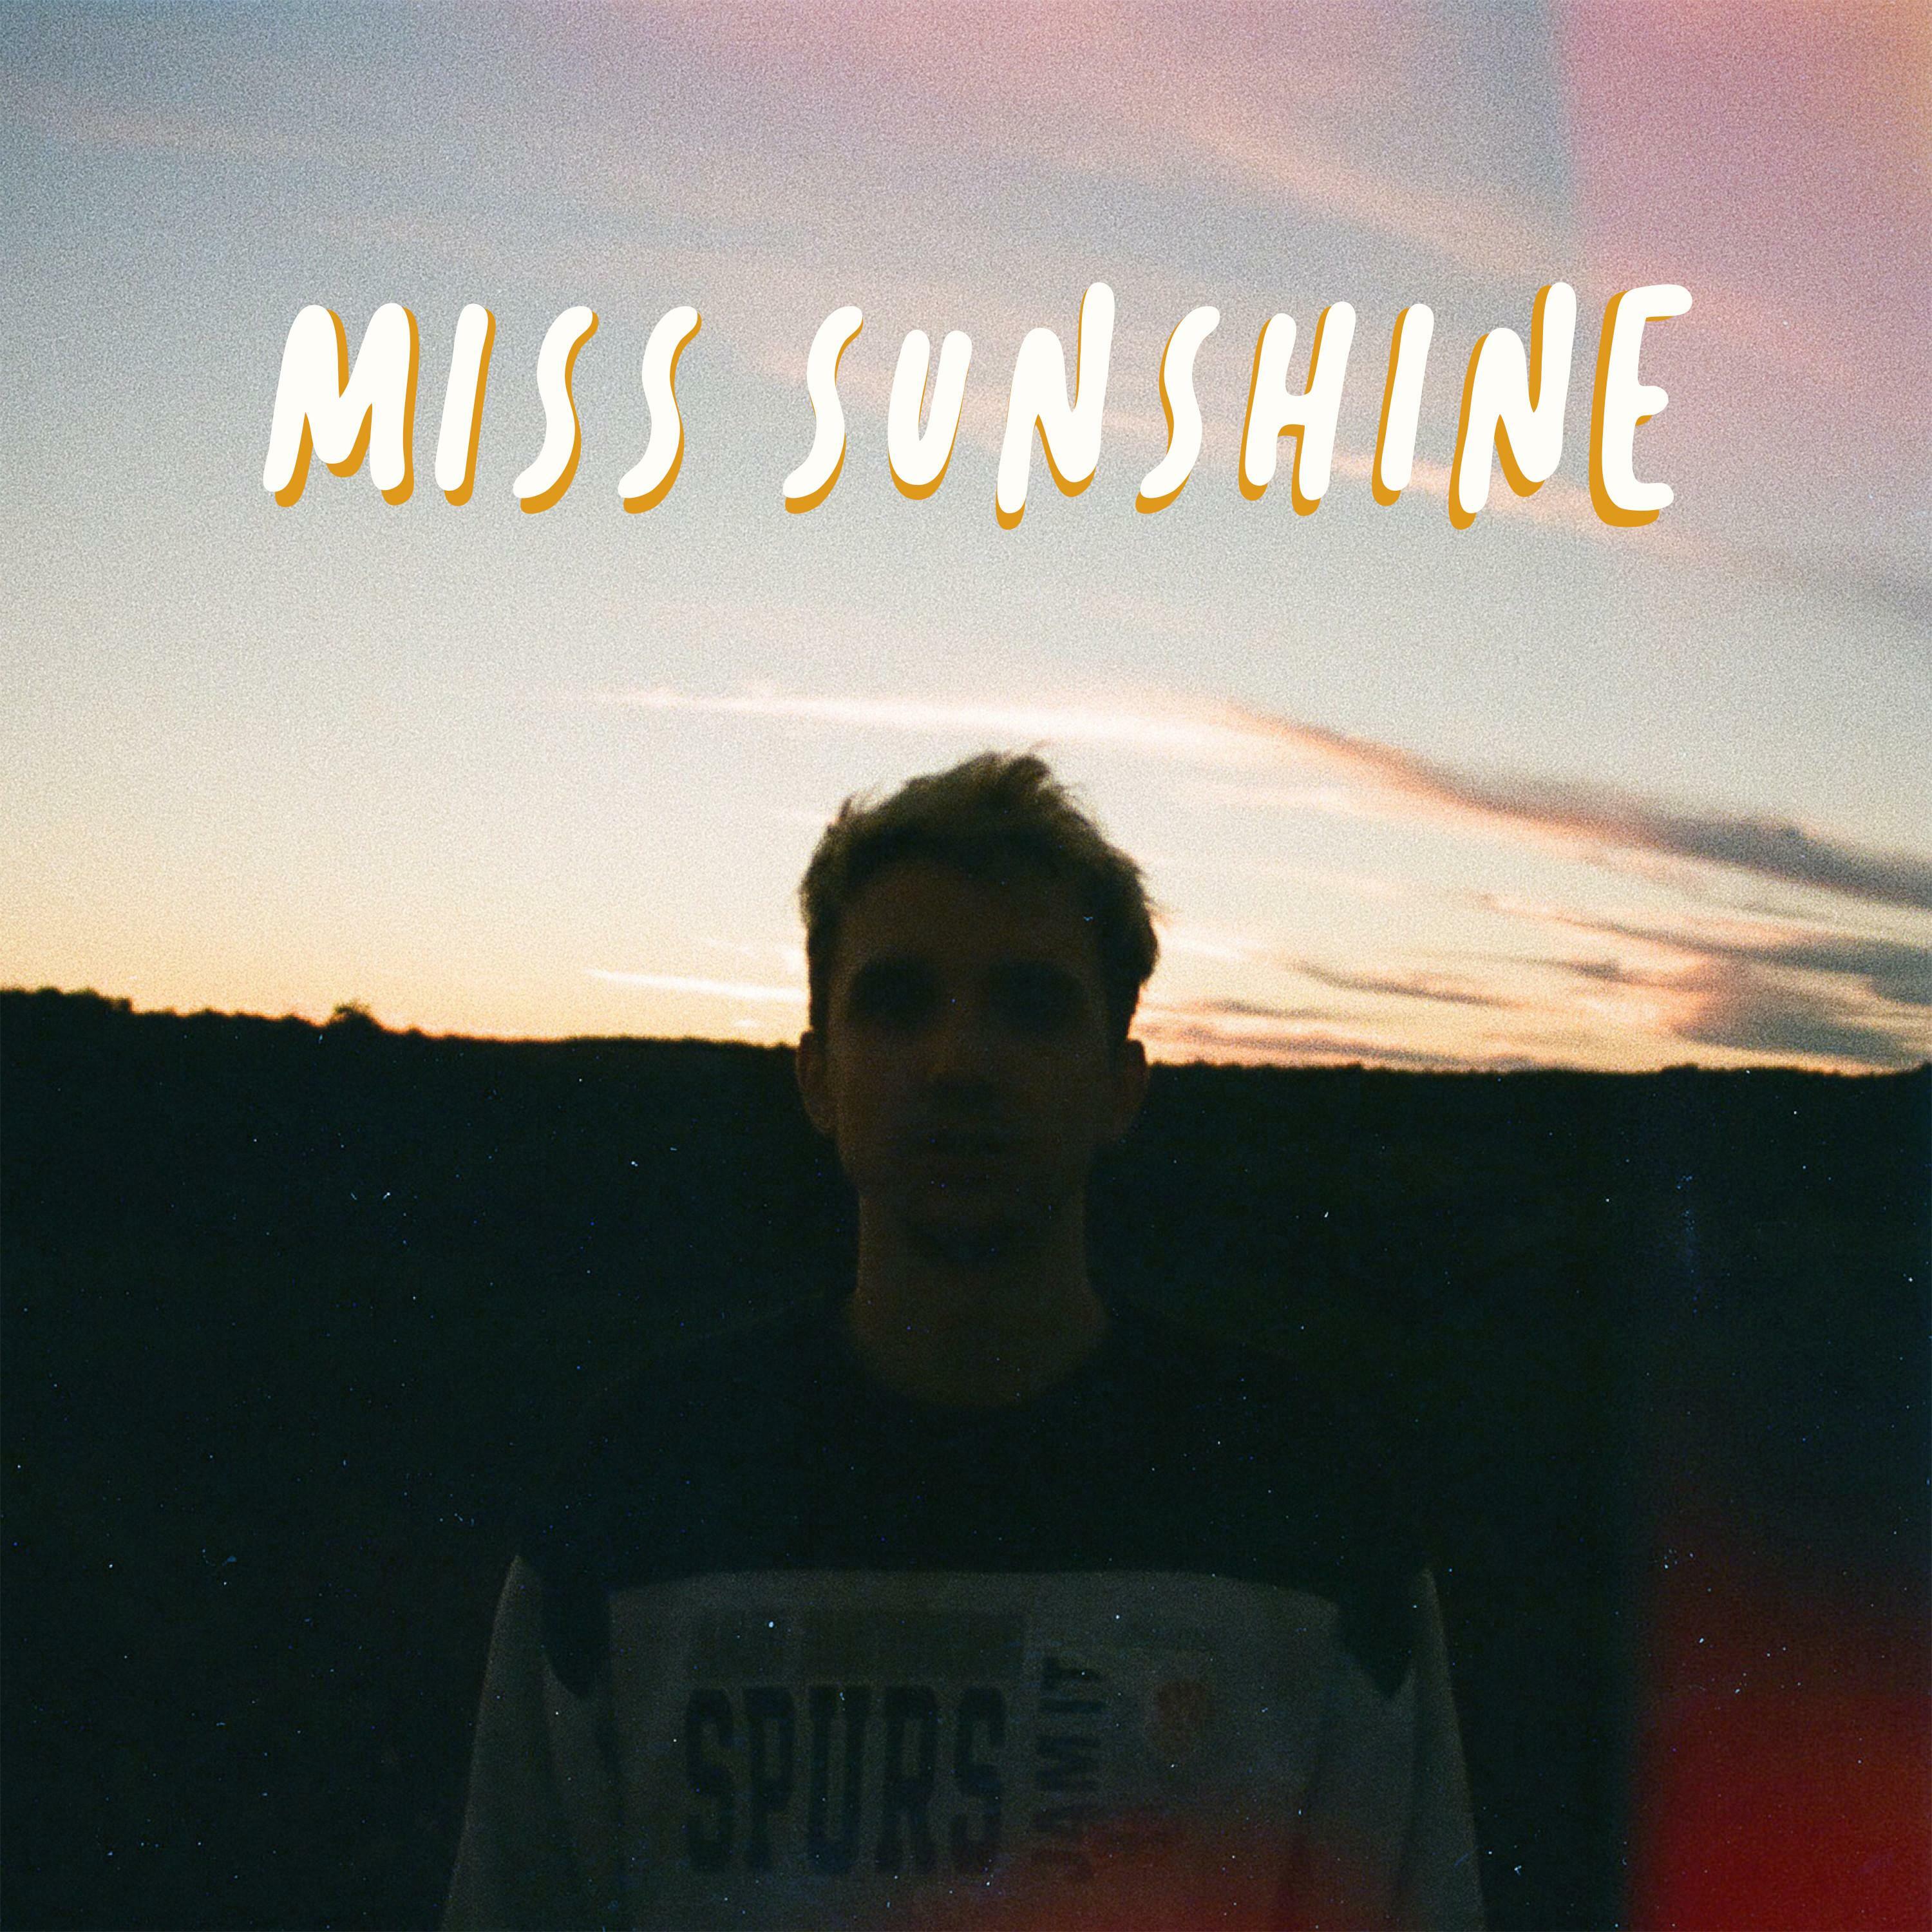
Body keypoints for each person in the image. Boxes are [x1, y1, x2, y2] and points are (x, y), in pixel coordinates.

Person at [443, 752, 1484, 1930]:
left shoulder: (1301, 1499)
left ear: (1120, 1088)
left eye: (1031, 1007)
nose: (959, 1064)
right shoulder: (644, 1482)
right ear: (818, 1076)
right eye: (897, 1004)